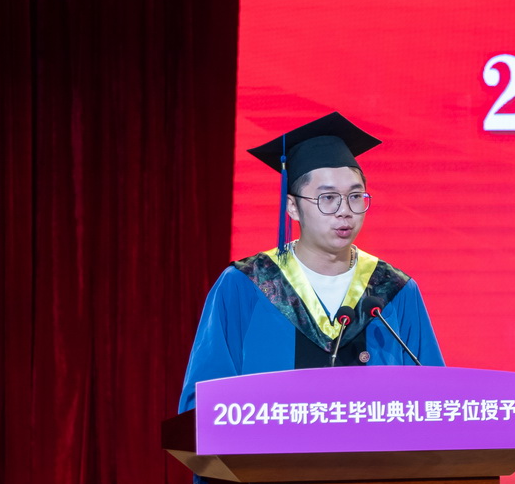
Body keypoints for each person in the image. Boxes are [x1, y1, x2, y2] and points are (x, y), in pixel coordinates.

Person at [178, 111, 444, 413]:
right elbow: (204, 403)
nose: (344, 211)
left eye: (355, 196)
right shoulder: (247, 284)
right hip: (272, 444)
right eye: (328, 198)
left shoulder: (393, 290)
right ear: (292, 206)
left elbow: (434, 398)